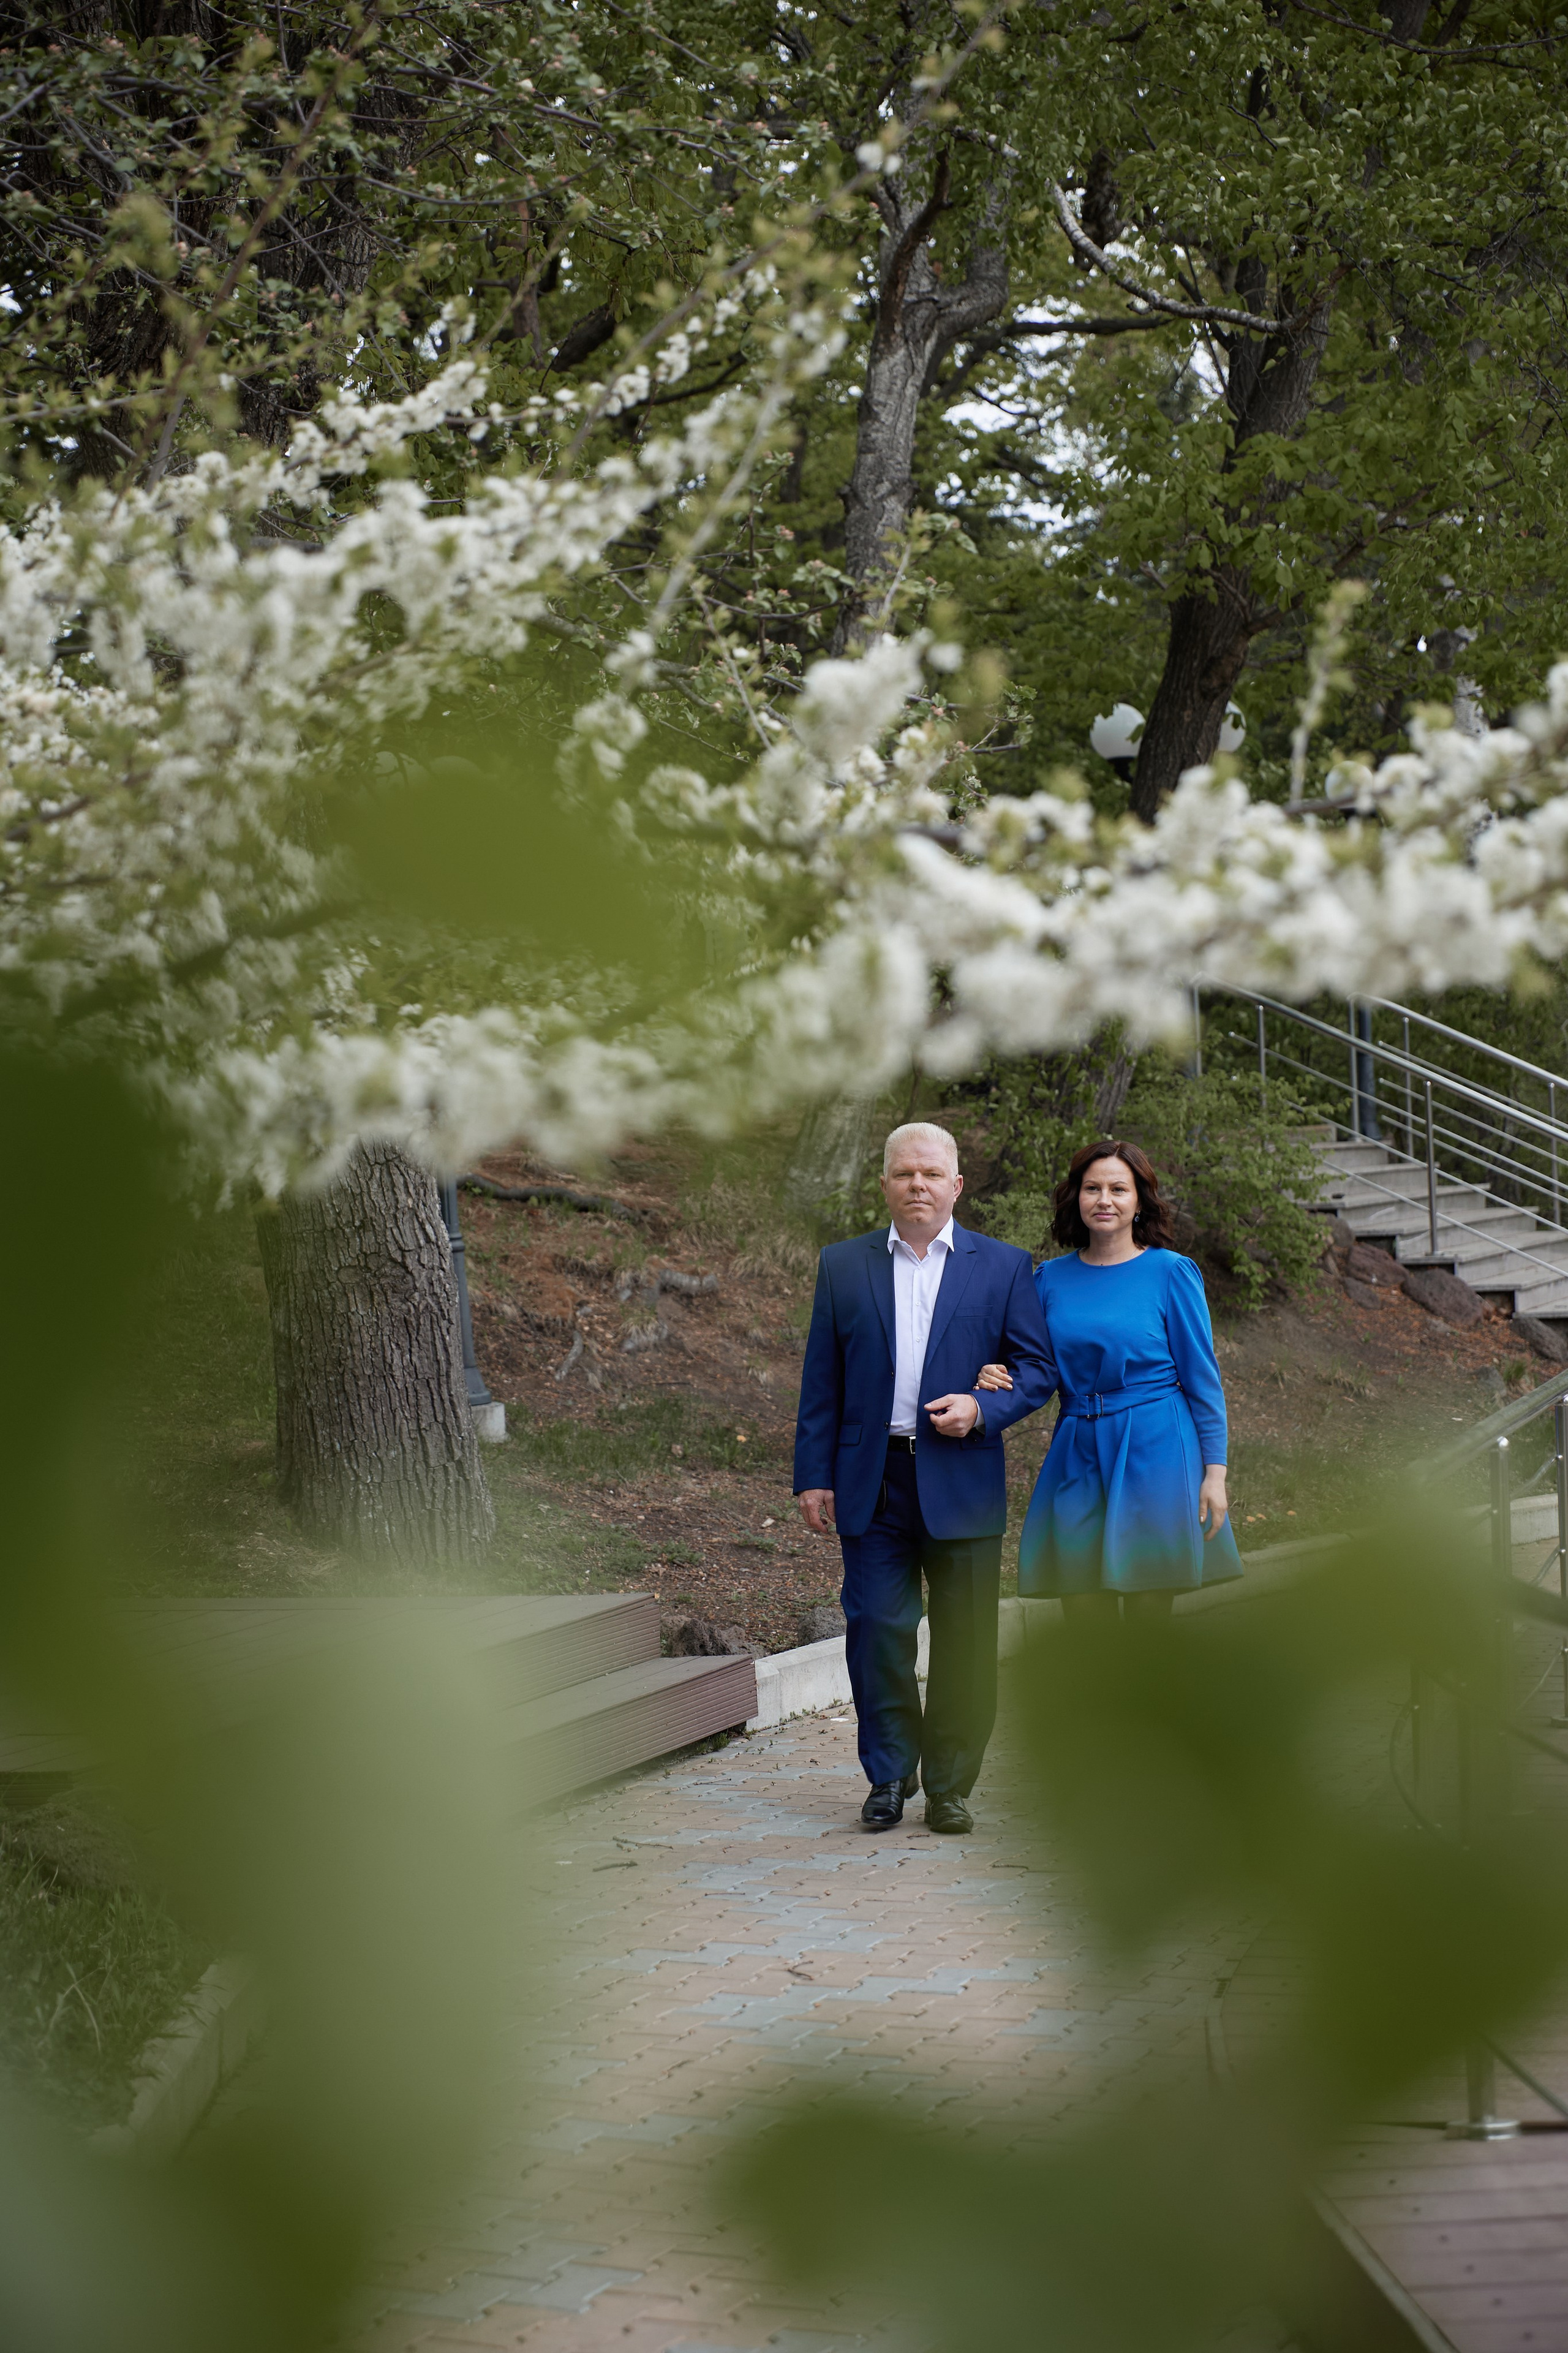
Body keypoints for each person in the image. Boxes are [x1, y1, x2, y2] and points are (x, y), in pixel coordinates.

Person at [793, 1122, 1056, 1834]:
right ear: (884, 1183)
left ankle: (949, 1785)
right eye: (905, 1173)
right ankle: (888, 1775)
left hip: (962, 1474)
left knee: (966, 1642)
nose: (918, 1185)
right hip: (870, 1477)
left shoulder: (1002, 1266)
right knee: (876, 1629)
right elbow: (822, 1379)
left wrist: (982, 1407)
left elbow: (1037, 1369)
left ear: (956, 1185)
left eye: (932, 1174)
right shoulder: (842, 1265)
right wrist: (812, 1474)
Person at [978, 1138, 1242, 1617]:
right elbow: (1028, 1362)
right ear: (1076, 1197)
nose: (1104, 1200)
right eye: (1092, 1188)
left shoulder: (1171, 1272)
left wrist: (1215, 1474)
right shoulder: (1048, 1279)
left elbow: (1203, 1381)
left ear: (1140, 1201)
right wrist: (991, 1369)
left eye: (1118, 1189)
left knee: (1147, 1619)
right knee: (1081, 1613)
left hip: (1156, 1449)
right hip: (1076, 1448)